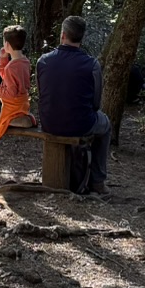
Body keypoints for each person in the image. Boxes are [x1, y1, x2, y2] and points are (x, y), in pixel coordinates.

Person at [36, 14, 112, 194]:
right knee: (106, 125)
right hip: (81, 123)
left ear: (63, 34)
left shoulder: (43, 61)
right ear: (81, 37)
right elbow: (95, 103)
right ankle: (97, 181)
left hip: (49, 122)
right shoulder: (92, 64)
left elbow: (42, 94)